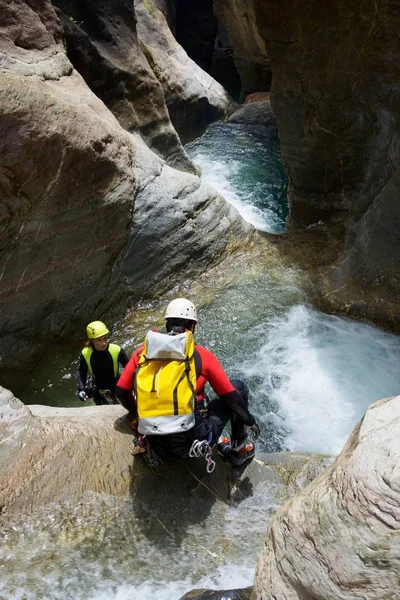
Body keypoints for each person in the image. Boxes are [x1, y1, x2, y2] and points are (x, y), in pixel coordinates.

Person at [115, 298, 259, 466]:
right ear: (192, 327)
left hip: (155, 441)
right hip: (192, 443)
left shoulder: (142, 352)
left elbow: (121, 392)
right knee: (238, 387)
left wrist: (137, 413)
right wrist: (250, 421)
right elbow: (232, 399)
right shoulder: (201, 355)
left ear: (167, 324)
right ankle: (239, 448)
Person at [77, 320, 129, 405]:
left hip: (116, 386)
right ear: (92, 340)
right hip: (98, 389)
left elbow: (129, 368)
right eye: (99, 340)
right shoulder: (85, 353)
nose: (103, 343)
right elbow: (82, 371)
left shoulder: (116, 350)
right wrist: (81, 389)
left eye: (105, 338)